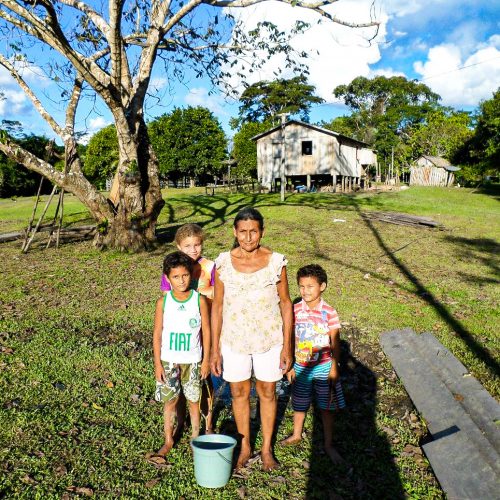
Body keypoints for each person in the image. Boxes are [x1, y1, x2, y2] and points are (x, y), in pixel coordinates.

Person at [210, 207, 293, 471]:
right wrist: (214, 349)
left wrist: (287, 345)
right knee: (238, 391)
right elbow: (218, 307)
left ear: (262, 232)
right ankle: (245, 446)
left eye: (253, 232)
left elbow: (286, 304)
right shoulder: (223, 263)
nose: (248, 238)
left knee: (268, 391)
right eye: (242, 232)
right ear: (235, 232)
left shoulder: (276, 262)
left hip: (269, 337)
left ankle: (267, 449)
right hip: (234, 338)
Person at [281, 264, 345, 463]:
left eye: (310, 286)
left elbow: (335, 342)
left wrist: (334, 367)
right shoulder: (294, 310)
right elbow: (289, 337)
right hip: (300, 367)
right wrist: (290, 365)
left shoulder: (329, 312)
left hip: (324, 367)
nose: (305, 291)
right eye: (301, 286)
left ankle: (328, 444)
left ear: (322, 286)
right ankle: (297, 434)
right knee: (299, 402)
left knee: (326, 407)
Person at [152, 251, 211, 457]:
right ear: (167, 278)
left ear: (191, 276)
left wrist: (206, 361)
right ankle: (168, 439)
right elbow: (157, 334)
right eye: (175, 277)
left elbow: (207, 331)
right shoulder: (163, 302)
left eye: (185, 275)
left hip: (193, 360)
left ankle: (195, 437)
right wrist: (158, 364)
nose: (181, 280)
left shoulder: (199, 300)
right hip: (169, 360)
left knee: (194, 401)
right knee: (171, 401)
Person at [160, 223, 216, 434]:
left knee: (205, 379)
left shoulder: (209, 266)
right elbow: (167, 296)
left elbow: (217, 293)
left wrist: (205, 291)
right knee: (182, 385)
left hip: (205, 327)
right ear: (178, 246)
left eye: (197, 245)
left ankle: (208, 424)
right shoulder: (173, 267)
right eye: (187, 246)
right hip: (181, 332)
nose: (193, 250)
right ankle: (181, 421)